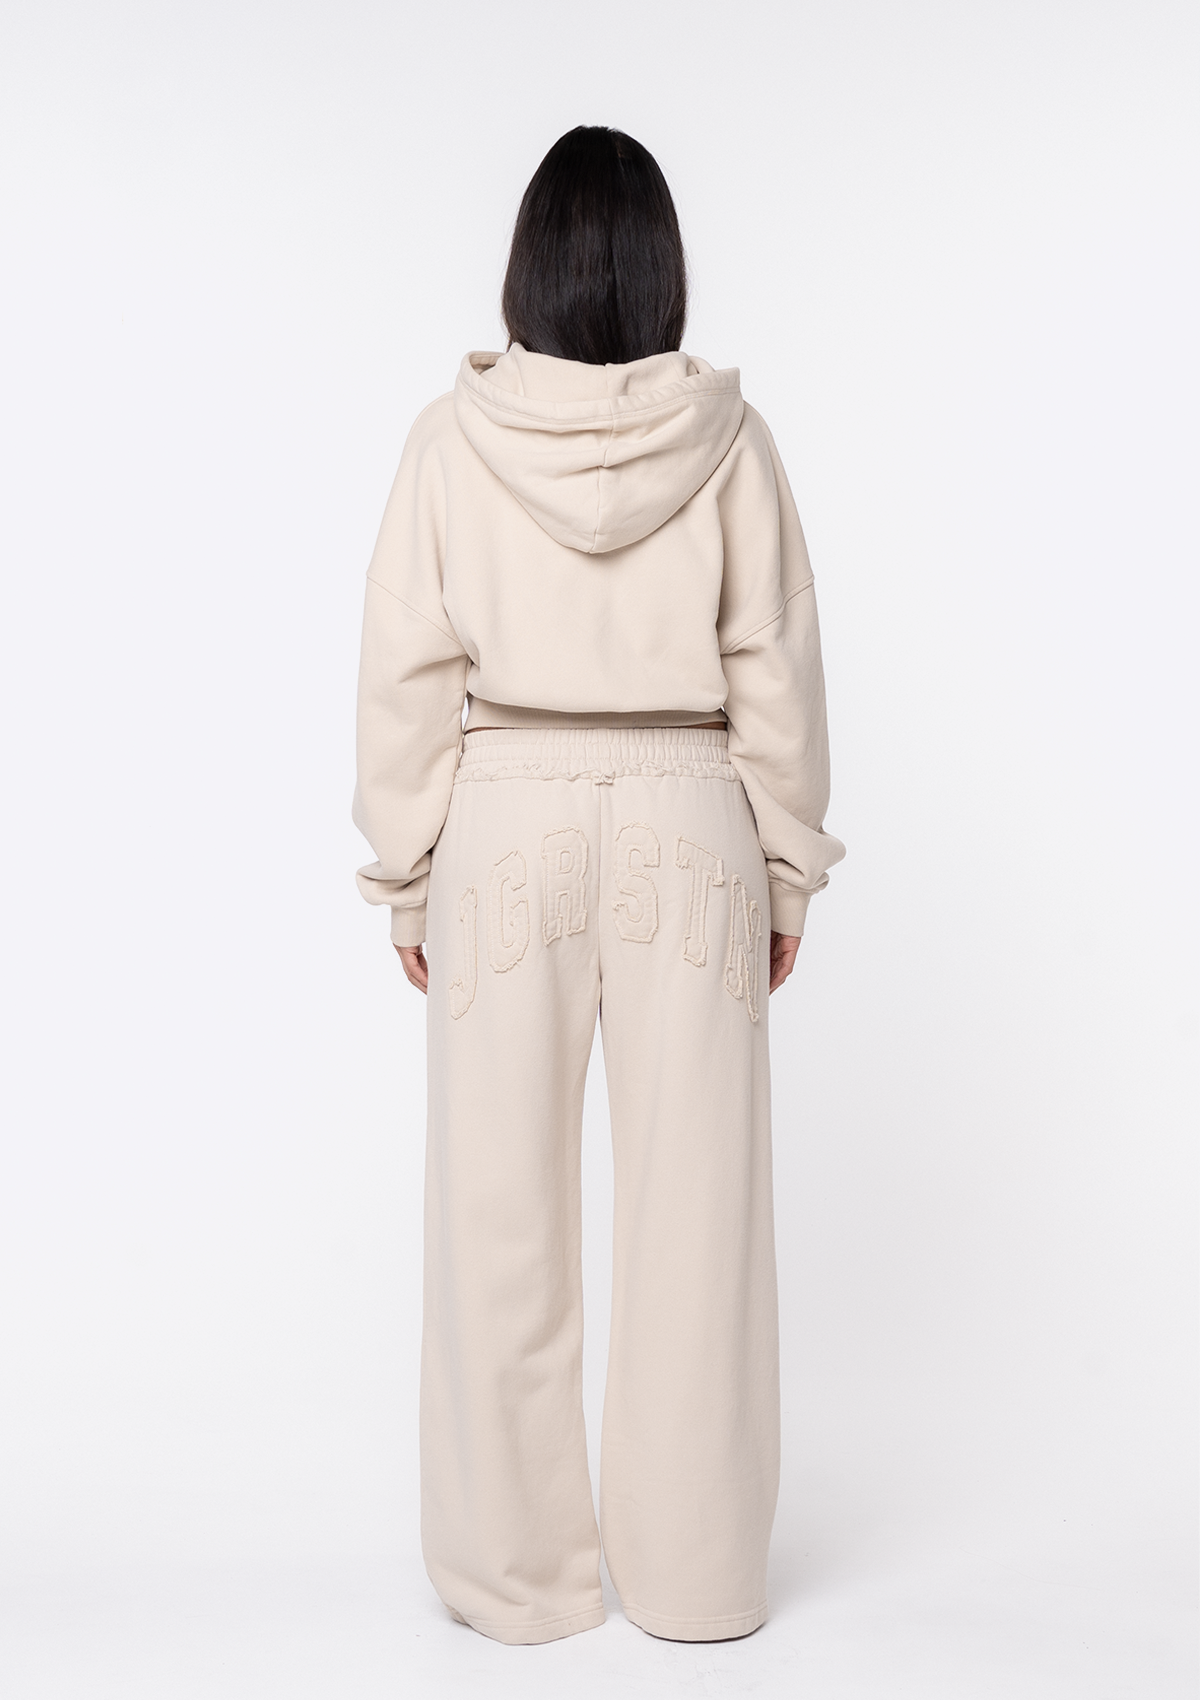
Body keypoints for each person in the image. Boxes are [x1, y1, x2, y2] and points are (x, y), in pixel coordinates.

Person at [352, 125, 845, 1646]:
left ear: (527, 269)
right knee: (700, 1218)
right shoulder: (733, 443)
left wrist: (411, 875)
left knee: (495, 1212)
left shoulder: (451, 442)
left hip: (506, 815)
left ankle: (515, 1583)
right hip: (691, 814)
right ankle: (695, 1581)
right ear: (660, 270)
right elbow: (776, 665)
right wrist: (784, 868)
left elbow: (405, 672)